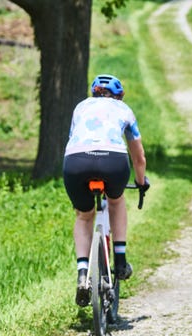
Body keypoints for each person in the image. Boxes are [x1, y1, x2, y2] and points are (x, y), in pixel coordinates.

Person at [63, 74, 149, 307]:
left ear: (94, 93)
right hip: (113, 160)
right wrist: (141, 182)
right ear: (119, 96)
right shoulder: (124, 110)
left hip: (76, 161)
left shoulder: (80, 107)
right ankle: (120, 260)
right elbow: (138, 157)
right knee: (116, 201)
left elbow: (74, 138)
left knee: (84, 215)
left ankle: (82, 274)